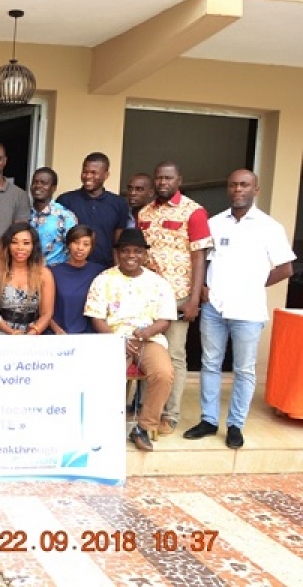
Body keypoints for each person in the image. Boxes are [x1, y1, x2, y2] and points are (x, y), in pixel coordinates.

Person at [184, 169, 295, 449]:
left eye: (244, 185)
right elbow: (203, 261)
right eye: (233, 185)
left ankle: (235, 425)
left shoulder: (269, 227)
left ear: (255, 190)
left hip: (248, 311)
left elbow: (285, 268)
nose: (238, 189)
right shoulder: (214, 223)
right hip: (214, 308)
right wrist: (204, 288)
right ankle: (209, 420)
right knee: (210, 364)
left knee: (244, 370)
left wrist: (255, 284)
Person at [138, 161, 213, 435]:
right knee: (148, 351)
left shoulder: (194, 212)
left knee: (175, 355)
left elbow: (199, 257)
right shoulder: (145, 212)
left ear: (179, 179)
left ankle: (169, 415)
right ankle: (147, 410)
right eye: (159, 178)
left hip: (179, 296)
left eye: (168, 178)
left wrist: (194, 298)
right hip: (148, 297)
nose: (163, 182)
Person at [85, 228, 176, 451]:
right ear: (118, 253)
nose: (131, 255)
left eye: (137, 251)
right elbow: (96, 318)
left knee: (163, 373)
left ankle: (143, 427)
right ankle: (104, 427)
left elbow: (165, 319)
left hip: (148, 340)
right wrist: (117, 340)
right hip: (113, 338)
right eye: (125, 251)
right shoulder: (103, 280)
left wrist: (146, 333)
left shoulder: (158, 283)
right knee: (107, 374)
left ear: (145, 255)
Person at [56, 152, 129, 267]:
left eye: (94, 173)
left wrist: (117, 268)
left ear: (106, 175)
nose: (88, 176)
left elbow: (118, 243)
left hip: (104, 268)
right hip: (72, 268)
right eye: (85, 172)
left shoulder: (118, 203)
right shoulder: (65, 200)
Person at [0, 222, 54, 335]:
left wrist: (34, 331)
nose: (20, 247)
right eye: (14, 242)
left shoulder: (44, 274)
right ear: (8, 244)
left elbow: (46, 313)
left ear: (33, 246)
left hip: (33, 333)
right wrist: (11, 332)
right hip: (0, 331)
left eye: (26, 243)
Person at [50, 225, 105, 335]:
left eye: (86, 244)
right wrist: (57, 330)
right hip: (58, 334)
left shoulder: (99, 272)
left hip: (89, 336)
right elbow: (44, 309)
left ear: (91, 248)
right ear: (68, 244)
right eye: (76, 242)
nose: (80, 248)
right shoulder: (53, 272)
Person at [28, 167, 77, 267]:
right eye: (35, 182)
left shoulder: (65, 217)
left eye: (44, 183)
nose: (38, 186)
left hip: (55, 273)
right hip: (27, 272)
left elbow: (74, 249)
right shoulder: (24, 214)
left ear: (53, 188)